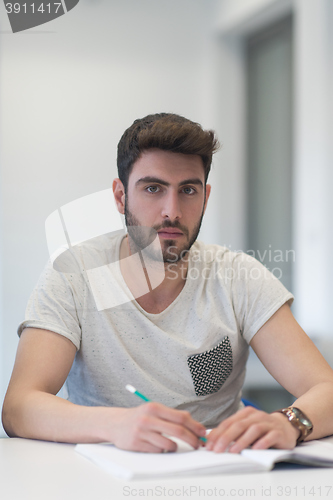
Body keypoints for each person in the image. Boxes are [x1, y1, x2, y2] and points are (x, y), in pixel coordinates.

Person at [2, 113, 333, 454]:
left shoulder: (239, 276)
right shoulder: (73, 273)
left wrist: (289, 422)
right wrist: (115, 424)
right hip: (103, 470)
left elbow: (326, 388)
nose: (171, 211)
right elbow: (18, 408)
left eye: (188, 190)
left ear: (205, 197)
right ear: (120, 196)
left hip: (222, 471)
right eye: (153, 188)